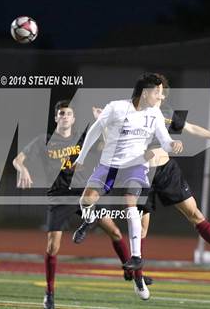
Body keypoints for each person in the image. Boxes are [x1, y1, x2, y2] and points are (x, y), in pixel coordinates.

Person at [75, 73, 210, 275]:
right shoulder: (126, 110)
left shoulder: (162, 111)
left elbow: (189, 127)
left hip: (166, 171)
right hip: (142, 172)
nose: (162, 97)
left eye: (163, 93)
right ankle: (136, 272)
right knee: (141, 227)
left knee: (194, 214)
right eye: (158, 92)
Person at [12, 100, 151, 309]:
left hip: (83, 195)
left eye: (68, 113)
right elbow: (17, 160)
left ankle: (128, 269)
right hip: (59, 197)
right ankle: (49, 293)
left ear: (73, 118)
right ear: (56, 118)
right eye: (61, 113)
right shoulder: (44, 140)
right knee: (52, 247)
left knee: (114, 231)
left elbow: (108, 143)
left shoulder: (83, 138)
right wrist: (22, 169)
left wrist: (101, 121)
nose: (65, 116)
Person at [72, 73, 183, 300]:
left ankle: (136, 259)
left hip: (135, 166)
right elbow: (94, 131)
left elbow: (164, 140)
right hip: (109, 165)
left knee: (130, 204)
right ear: (145, 93)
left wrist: (173, 143)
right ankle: (90, 218)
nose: (160, 96)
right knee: (86, 200)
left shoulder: (154, 113)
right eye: (157, 92)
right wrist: (81, 158)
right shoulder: (116, 108)